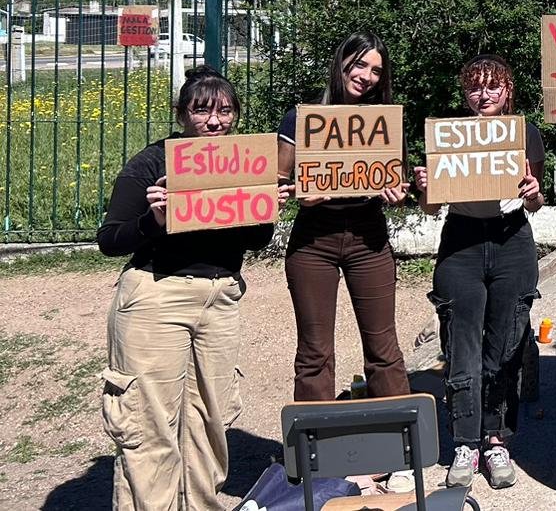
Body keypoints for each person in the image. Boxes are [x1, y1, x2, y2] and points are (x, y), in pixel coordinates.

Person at [98, 66, 290, 511]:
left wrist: (267, 208)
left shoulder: (243, 164)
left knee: (211, 419)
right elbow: (110, 239)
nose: (215, 121)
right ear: (182, 115)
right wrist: (154, 221)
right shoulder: (153, 162)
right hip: (155, 296)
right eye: (202, 110)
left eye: (225, 111)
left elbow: (255, 241)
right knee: (149, 424)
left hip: (220, 298)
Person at [276, 33, 415, 490]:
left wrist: (398, 195)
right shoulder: (301, 119)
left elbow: (393, 182)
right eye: (360, 65)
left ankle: (395, 455)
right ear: (340, 64)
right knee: (315, 354)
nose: (367, 77)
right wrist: (299, 192)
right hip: (313, 241)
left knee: (384, 349)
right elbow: (276, 186)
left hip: (368, 238)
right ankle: (317, 455)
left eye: (376, 70)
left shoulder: (382, 123)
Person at [414, 54, 545, 490]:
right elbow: (432, 206)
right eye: (475, 87)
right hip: (462, 244)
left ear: (508, 90)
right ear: (465, 93)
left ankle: (497, 439)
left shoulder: (524, 133)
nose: (484, 94)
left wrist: (533, 194)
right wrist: (425, 189)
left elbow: (535, 200)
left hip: (512, 242)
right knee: (461, 347)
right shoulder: (450, 136)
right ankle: (465, 442)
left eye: (493, 86)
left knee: (505, 345)